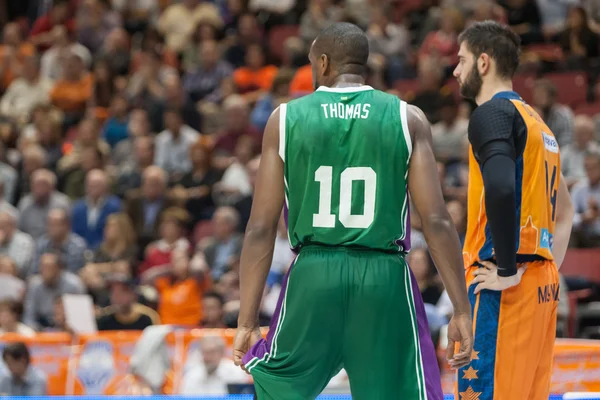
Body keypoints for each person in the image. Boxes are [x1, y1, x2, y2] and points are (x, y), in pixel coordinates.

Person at [233, 22, 472, 400]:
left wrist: (247, 320)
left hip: (313, 273)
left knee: (278, 389)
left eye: (312, 63)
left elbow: (260, 228)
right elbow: (438, 221)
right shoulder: (407, 118)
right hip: (383, 276)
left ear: (324, 63)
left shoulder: (285, 119)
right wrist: (461, 308)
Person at [453, 21, 575, 400]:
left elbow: (502, 188)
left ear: (484, 62)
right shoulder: (539, 125)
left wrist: (507, 270)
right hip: (541, 284)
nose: (456, 70)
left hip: (502, 288)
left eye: (462, 60)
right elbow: (565, 212)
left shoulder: (492, 114)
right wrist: (546, 267)